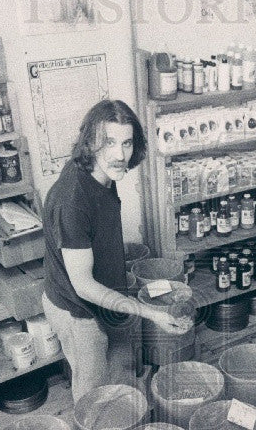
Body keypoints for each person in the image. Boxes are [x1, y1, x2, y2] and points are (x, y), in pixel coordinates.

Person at [42, 99, 190, 402]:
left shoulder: (104, 176)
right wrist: (152, 313)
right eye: (108, 142)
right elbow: (83, 286)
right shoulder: (73, 200)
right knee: (93, 398)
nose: (120, 154)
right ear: (90, 143)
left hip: (108, 298)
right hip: (78, 310)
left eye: (127, 143)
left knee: (122, 371)